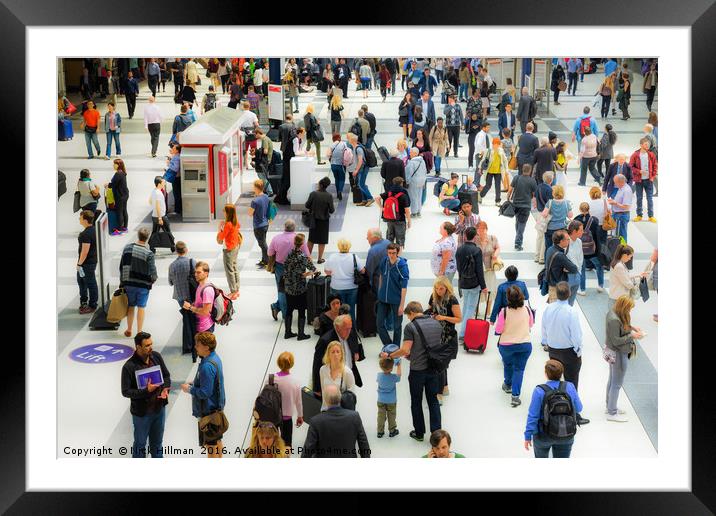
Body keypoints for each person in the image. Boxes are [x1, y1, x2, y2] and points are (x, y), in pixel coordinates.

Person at [380, 301, 442, 442]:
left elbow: (405, 350)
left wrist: (389, 355)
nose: (409, 319)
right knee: (433, 401)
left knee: (416, 401)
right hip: (433, 369)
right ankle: (437, 434)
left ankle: (419, 433)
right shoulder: (436, 324)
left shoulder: (410, 327)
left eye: (409, 316)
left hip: (417, 371)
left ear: (412, 312)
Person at [541, 282, 590, 425]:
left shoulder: (548, 309)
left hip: (553, 350)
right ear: (569, 294)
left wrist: (546, 342)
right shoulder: (571, 312)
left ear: (556, 293)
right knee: (572, 383)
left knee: (555, 381)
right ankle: (574, 413)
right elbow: (576, 335)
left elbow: (544, 328)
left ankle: (553, 408)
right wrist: (578, 350)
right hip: (569, 352)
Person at [121, 331, 171, 458]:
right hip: (142, 415)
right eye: (147, 345)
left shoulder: (156, 357)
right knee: (140, 445)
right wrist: (146, 391)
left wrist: (165, 389)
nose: (151, 347)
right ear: (138, 347)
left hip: (159, 410)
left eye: (151, 344)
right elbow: (125, 391)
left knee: (157, 444)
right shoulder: (129, 367)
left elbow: (166, 375)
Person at [524, 359, 583, 458]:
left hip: (543, 435)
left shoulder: (539, 390)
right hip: (566, 433)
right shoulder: (569, 386)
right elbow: (579, 408)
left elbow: (533, 416)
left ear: (546, 373)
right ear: (561, 373)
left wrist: (528, 436)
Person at [181, 332, 226, 458]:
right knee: (217, 440)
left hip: (208, 412)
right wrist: (196, 383)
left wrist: (189, 389)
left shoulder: (206, 366)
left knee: (210, 446)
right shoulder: (215, 358)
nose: (195, 347)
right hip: (217, 409)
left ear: (206, 347)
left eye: (198, 345)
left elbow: (205, 392)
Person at [301, 384, 370, 458]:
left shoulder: (316, 421)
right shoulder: (354, 417)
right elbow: (364, 445)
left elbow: (308, 450)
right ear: (340, 398)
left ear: (326, 400)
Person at [605, 295, 645, 422]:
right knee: (617, 383)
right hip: (618, 353)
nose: (629, 311)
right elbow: (616, 340)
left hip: (613, 352)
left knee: (612, 380)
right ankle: (612, 412)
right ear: (624, 307)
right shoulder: (614, 319)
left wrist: (632, 328)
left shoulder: (614, 312)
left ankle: (610, 405)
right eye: (628, 309)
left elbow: (620, 329)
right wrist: (632, 336)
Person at [494, 285, 534, 407]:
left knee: (508, 364)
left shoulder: (504, 312)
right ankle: (515, 396)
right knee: (519, 369)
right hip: (524, 344)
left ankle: (507, 384)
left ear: (508, 299)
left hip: (506, 346)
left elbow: (499, 330)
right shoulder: (527, 309)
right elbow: (531, 325)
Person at [427, 276, 462, 402]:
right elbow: (430, 310)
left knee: (440, 364)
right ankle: (445, 387)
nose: (438, 291)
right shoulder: (433, 296)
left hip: (448, 337)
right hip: (435, 335)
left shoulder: (452, 300)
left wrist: (444, 318)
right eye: (436, 288)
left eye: (441, 288)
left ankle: (439, 393)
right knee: (441, 364)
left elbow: (459, 318)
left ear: (447, 288)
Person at [312, 314, 365, 397]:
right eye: (346, 329)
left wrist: (355, 352)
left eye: (350, 328)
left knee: (349, 401)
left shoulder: (350, 332)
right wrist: (317, 389)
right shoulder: (325, 341)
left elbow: (355, 345)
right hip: (334, 380)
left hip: (349, 375)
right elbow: (317, 365)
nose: (349, 331)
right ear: (337, 327)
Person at [268, 219, 310, 321]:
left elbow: (270, 253)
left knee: (282, 290)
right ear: (294, 228)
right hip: (297, 269)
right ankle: (284, 311)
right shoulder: (299, 239)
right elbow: (307, 255)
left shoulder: (276, 238)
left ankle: (284, 313)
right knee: (296, 290)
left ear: (284, 227)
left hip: (280, 267)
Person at [119, 228, 157, 337]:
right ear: (147, 237)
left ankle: (129, 329)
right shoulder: (149, 254)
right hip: (143, 285)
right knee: (141, 307)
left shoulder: (127, 248)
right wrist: (152, 280)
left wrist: (122, 281)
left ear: (138, 235)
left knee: (131, 306)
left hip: (128, 283)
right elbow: (153, 272)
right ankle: (139, 332)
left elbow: (121, 266)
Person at [283, 233, 317, 341]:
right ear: (302, 244)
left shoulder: (289, 254)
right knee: (302, 310)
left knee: (289, 309)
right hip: (300, 288)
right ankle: (301, 334)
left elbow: (286, 268)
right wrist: (308, 274)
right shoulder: (302, 257)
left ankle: (287, 332)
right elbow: (312, 268)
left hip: (288, 287)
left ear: (294, 242)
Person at [456, 226, 488, 339]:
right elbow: (479, 270)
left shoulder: (459, 249)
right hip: (474, 283)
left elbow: (458, 268)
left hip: (463, 282)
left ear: (465, 236)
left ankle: (463, 328)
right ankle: (462, 334)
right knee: (470, 308)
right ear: (475, 237)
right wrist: (483, 286)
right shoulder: (477, 250)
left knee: (465, 306)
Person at [324, 238, 365, 322]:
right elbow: (362, 271)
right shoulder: (354, 257)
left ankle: (339, 329)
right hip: (352, 287)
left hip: (337, 287)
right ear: (349, 246)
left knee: (337, 310)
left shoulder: (332, 257)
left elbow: (327, 271)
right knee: (351, 309)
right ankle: (352, 329)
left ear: (338, 246)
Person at [377, 244, 409, 348]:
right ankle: (390, 346)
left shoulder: (402, 265)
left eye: (394, 253)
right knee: (379, 324)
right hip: (383, 299)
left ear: (398, 252)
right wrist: (380, 290)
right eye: (389, 253)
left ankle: (396, 349)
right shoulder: (384, 261)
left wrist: (401, 305)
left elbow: (404, 287)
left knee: (397, 326)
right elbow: (381, 275)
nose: (391, 255)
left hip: (396, 300)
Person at [574, 202, 605, 295]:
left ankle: (582, 289)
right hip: (592, 250)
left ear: (580, 209)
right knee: (599, 267)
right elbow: (597, 235)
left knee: (582, 270)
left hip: (581, 250)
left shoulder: (576, 220)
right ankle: (600, 285)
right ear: (589, 209)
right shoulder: (594, 220)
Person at [608, 244, 648, 309]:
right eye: (630, 256)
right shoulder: (619, 266)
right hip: (619, 297)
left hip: (616, 295)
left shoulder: (619, 263)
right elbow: (628, 284)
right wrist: (638, 283)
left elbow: (625, 275)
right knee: (619, 317)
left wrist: (639, 275)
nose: (630, 259)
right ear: (625, 255)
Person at [544, 230, 579, 304]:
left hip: (551, 282)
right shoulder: (560, 255)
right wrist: (566, 269)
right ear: (561, 241)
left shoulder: (550, 249)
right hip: (558, 287)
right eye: (567, 239)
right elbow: (574, 269)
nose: (569, 241)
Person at [377, 176, 411, 249]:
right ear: (401, 183)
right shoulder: (404, 195)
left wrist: (381, 208)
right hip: (400, 220)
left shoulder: (389, 193)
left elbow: (377, 198)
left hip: (389, 219)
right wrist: (409, 221)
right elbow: (407, 210)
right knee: (400, 242)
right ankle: (397, 257)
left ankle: (389, 256)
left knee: (389, 240)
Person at [305, 177, 334, 263]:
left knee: (311, 239)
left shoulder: (313, 194)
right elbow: (332, 210)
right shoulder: (329, 196)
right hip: (324, 221)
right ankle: (319, 259)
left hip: (313, 219)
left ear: (320, 184)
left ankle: (308, 258)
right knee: (322, 240)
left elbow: (307, 205)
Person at [509, 163, 538, 251]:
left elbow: (510, 189)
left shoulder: (516, 178)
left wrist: (508, 198)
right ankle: (518, 243)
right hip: (525, 206)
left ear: (522, 169)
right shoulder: (532, 181)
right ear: (530, 171)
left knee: (518, 221)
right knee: (522, 224)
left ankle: (518, 236)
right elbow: (534, 195)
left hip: (516, 204)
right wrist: (534, 204)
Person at [216, 204, 241, 300]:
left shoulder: (228, 224)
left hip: (229, 249)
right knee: (234, 267)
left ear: (228, 213)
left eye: (224, 211)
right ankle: (236, 289)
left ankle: (233, 292)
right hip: (235, 246)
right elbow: (238, 227)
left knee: (229, 270)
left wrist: (219, 228)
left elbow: (221, 237)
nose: (223, 212)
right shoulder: (235, 221)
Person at [629, 137, 658, 223]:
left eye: (648, 144)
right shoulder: (635, 155)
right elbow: (631, 166)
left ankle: (651, 216)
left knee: (649, 199)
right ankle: (639, 215)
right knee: (639, 198)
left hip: (649, 180)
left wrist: (652, 177)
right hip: (639, 181)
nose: (648, 146)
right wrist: (639, 171)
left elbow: (655, 166)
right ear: (641, 145)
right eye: (646, 144)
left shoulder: (651, 154)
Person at [542, 185, 573, 262]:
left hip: (550, 229)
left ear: (554, 193)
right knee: (562, 247)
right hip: (562, 229)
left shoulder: (550, 202)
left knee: (548, 247)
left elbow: (544, 214)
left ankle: (547, 264)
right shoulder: (566, 203)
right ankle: (560, 263)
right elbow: (570, 215)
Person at [76, 210, 98, 315]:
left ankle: (92, 305)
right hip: (92, 260)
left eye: (80, 218)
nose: (79, 219)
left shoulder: (85, 234)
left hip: (86, 263)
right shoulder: (94, 230)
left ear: (85, 220)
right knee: (81, 281)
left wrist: (79, 264)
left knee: (90, 283)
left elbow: (85, 251)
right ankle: (84, 301)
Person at [475, 221, 500, 316]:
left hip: (489, 269)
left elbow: (498, 248)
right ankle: (476, 309)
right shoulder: (474, 240)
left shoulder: (493, 238)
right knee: (478, 290)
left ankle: (488, 310)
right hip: (478, 270)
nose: (481, 231)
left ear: (487, 229)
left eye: (483, 229)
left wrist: (495, 255)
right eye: (479, 229)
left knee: (490, 289)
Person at [346, 132, 374, 207]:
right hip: (361, 168)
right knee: (360, 184)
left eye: (349, 139)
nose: (348, 140)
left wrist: (356, 170)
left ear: (352, 140)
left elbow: (361, 161)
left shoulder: (358, 149)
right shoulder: (356, 147)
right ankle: (364, 200)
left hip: (362, 169)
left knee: (361, 184)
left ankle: (370, 198)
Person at [478, 137, 508, 205]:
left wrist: (506, 170)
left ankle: (498, 201)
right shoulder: (488, 150)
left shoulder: (501, 151)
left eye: (498, 144)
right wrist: (480, 168)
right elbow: (483, 160)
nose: (496, 146)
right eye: (495, 144)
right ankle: (480, 195)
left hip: (498, 171)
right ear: (493, 144)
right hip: (489, 171)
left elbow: (505, 161)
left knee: (498, 186)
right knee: (488, 185)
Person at [376, 357, 401, 438]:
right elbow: (399, 375)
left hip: (381, 400)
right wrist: (399, 365)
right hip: (391, 401)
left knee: (381, 416)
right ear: (391, 368)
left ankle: (380, 432)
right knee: (391, 415)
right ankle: (392, 431)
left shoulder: (379, 376)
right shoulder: (393, 377)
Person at [149, 176, 175, 253]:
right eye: (163, 182)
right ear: (159, 184)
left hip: (154, 216)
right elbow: (157, 205)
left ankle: (152, 248)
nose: (164, 184)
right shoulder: (158, 193)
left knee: (154, 232)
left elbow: (150, 201)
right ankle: (173, 247)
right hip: (161, 216)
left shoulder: (154, 191)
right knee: (168, 231)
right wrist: (160, 218)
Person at [248, 179, 270, 269]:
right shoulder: (266, 197)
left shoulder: (255, 201)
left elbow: (250, 214)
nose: (253, 188)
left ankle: (268, 262)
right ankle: (264, 260)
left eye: (253, 187)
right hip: (265, 224)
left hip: (258, 225)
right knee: (263, 242)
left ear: (257, 187)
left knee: (262, 244)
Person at [533, 169, 553, 264]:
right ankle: (542, 258)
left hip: (538, 213)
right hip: (546, 215)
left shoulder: (539, 186)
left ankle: (536, 256)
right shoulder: (550, 190)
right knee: (544, 236)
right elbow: (550, 204)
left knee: (539, 236)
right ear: (551, 180)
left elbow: (535, 198)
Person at [606, 174, 633, 242]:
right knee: (617, 235)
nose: (614, 184)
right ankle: (618, 249)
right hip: (617, 214)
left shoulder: (627, 190)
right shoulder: (621, 188)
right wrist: (613, 201)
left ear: (620, 182)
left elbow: (626, 207)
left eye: (615, 182)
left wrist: (615, 203)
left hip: (622, 216)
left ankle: (623, 250)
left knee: (622, 235)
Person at [565, 220, 584, 305]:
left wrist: (578, 271)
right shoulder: (565, 241)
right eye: (581, 230)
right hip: (567, 276)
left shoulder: (579, 241)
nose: (583, 232)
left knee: (571, 302)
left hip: (577, 274)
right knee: (564, 300)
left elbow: (581, 257)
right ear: (574, 231)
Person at [405, 147, 427, 217]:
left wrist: (407, 182)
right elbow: (425, 171)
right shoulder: (422, 161)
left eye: (411, 152)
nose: (410, 154)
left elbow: (408, 173)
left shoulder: (412, 162)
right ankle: (418, 211)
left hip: (413, 182)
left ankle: (414, 212)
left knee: (413, 197)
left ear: (415, 153)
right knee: (419, 196)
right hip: (421, 181)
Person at [163, 144, 183, 217]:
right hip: (178, 177)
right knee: (177, 193)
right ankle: (179, 208)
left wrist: (169, 164)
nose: (172, 149)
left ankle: (177, 210)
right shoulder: (177, 156)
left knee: (176, 194)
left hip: (176, 177)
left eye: (174, 148)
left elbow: (175, 168)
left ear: (177, 150)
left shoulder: (177, 157)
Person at [327, 135, 347, 200]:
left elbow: (328, 154)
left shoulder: (332, 145)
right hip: (341, 165)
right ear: (339, 138)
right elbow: (348, 153)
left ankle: (337, 192)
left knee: (336, 178)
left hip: (333, 165)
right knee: (342, 179)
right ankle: (340, 191)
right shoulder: (344, 144)